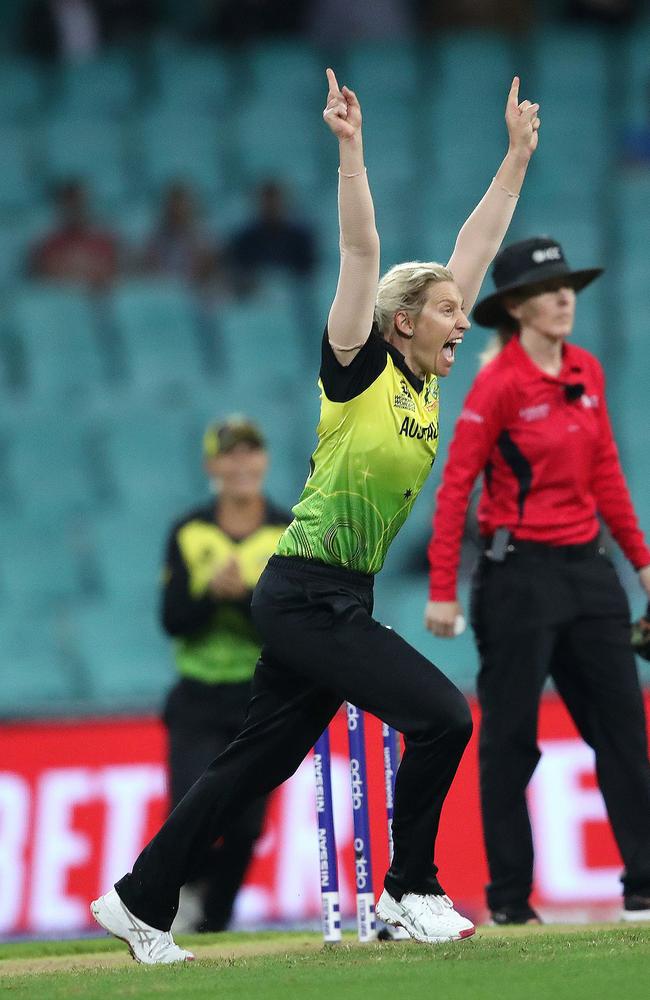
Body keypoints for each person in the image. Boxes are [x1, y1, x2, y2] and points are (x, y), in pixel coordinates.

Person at [91, 67, 541, 963]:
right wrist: (351, 153)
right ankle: (410, 888)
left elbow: (477, 245)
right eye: (449, 312)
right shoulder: (359, 366)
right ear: (402, 323)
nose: (465, 323)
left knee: (257, 762)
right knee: (445, 716)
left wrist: (517, 156)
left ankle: (138, 898)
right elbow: (363, 257)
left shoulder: (426, 379)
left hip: (337, 596)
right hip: (303, 594)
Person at [425, 236, 650, 925]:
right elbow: (456, 485)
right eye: (549, 289)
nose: (564, 299)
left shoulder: (586, 370)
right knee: (511, 743)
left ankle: (644, 887)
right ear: (517, 307)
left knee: (623, 733)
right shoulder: (497, 386)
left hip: (590, 573)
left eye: (569, 288)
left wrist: (643, 566)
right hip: (517, 578)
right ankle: (511, 904)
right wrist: (441, 588)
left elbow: (607, 471)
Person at [160, 416, 290, 932]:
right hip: (197, 697)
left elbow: (290, 633)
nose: (241, 464)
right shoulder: (190, 532)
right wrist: (208, 595)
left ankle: (214, 923)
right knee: (189, 810)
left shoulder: (285, 532)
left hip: (259, 700)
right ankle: (187, 894)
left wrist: (246, 601)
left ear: (264, 460)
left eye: (250, 453)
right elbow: (172, 620)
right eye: (229, 454)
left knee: (246, 827)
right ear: (211, 465)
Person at [29, 179, 119, 289]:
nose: (75, 211)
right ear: (60, 209)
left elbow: (113, 273)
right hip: (62, 299)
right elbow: (46, 278)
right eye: (70, 207)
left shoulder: (104, 241)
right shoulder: (48, 245)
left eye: (80, 205)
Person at [138, 182, 218, 289]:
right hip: (164, 290)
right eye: (174, 208)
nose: (178, 212)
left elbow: (208, 270)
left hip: (193, 290)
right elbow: (149, 269)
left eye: (182, 207)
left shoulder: (202, 237)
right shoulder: (156, 238)